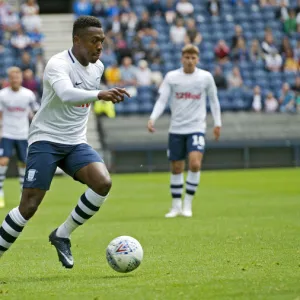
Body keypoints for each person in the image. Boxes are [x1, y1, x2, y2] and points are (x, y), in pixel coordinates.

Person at [0, 16, 130, 268]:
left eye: (102, 41)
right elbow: (66, 94)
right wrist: (99, 94)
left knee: (102, 183)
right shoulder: (57, 64)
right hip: (45, 139)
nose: (100, 46)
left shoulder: (98, 67)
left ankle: (62, 234)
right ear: (76, 40)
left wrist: (98, 93)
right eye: (94, 41)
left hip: (75, 142)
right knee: (29, 205)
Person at [147, 44, 221, 218]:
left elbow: (214, 101)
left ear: (198, 59)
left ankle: (188, 203)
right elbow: (162, 100)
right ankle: (175, 206)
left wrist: (218, 123)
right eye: (187, 57)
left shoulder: (205, 77)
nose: (189, 60)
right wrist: (152, 118)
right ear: (182, 58)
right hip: (177, 129)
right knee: (176, 167)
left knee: (195, 163)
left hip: (196, 128)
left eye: (193, 57)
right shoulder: (172, 77)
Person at [0, 67, 38, 208]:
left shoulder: (28, 95)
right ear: (9, 79)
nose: (15, 80)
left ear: (21, 79)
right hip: (7, 134)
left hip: (23, 134)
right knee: (2, 161)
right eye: (12, 77)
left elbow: (34, 113)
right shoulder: (2, 95)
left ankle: (23, 194)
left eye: (17, 77)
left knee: (24, 163)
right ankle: (0, 193)